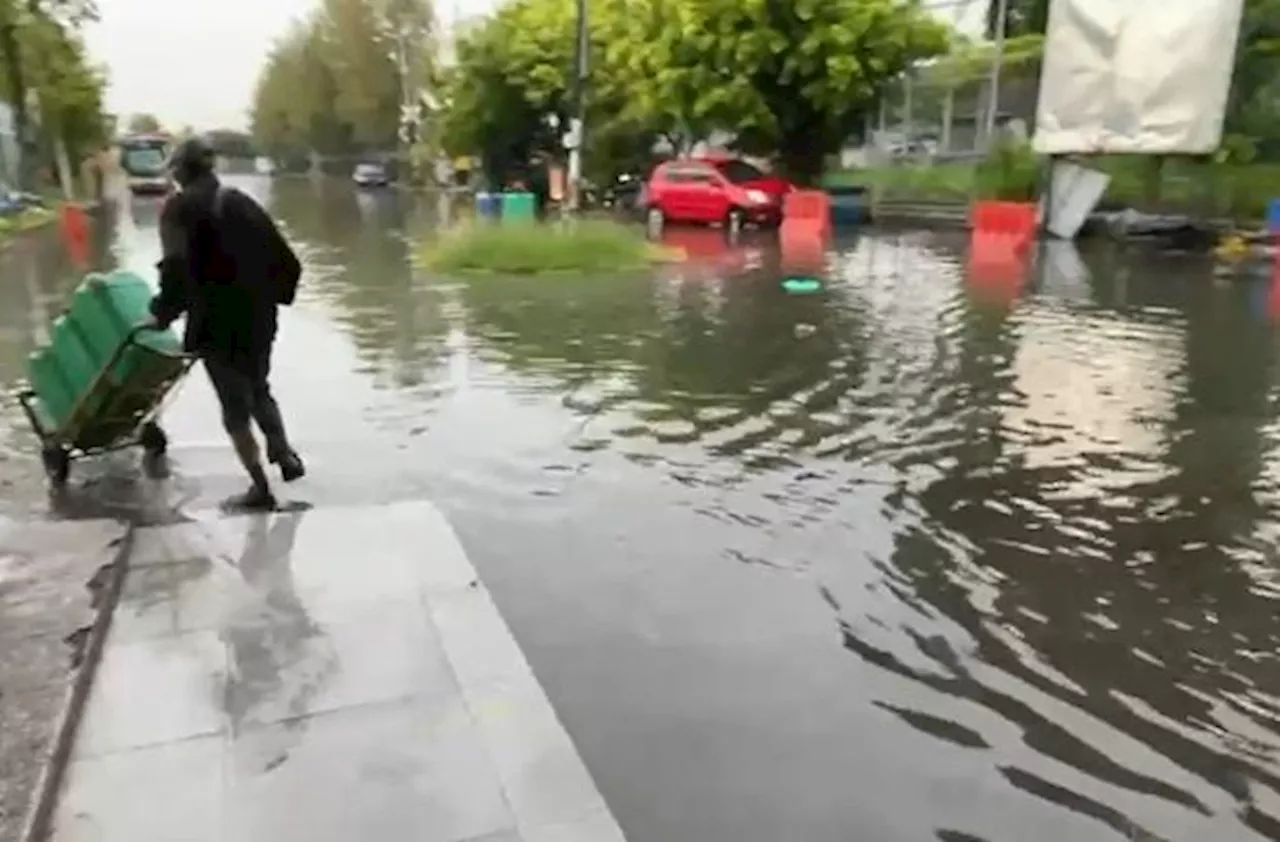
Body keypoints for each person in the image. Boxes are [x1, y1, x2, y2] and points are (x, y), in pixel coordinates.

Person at [148, 136, 305, 510]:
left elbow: (175, 270)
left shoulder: (177, 210)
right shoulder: (240, 202)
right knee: (258, 385)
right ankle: (283, 452)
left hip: (214, 323)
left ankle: (260, 489)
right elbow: (288, 260)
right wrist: (271, 298)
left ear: (180, 171)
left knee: (234, 407)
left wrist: (162, 313)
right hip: (259, 317)